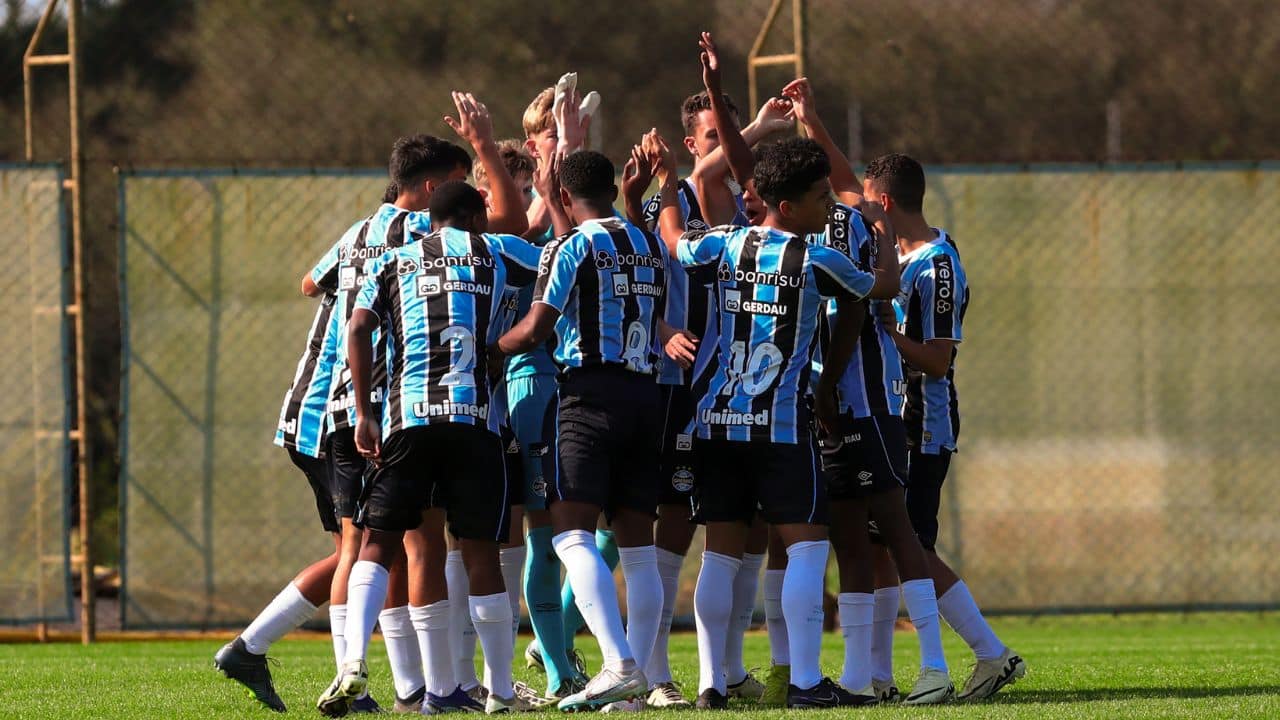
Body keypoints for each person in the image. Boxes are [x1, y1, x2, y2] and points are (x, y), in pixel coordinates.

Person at [676, 32, 901, 710]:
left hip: (718, 416)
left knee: (719, 552)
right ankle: (805, 682)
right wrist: (884, 245)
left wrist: (661, 201)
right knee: (806, 546)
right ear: (794, 205)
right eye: (821, 201)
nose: (829, 210)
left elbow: (678, 242)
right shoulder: (816, 258)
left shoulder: (720, 244)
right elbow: (877, 292)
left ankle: (714, 684)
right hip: (779, 423)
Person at [316, 180, 542, 717]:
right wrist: (509, 341)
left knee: (379, 543)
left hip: (408, 418)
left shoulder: (394, 260)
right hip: (475, 420)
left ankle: (351, 662)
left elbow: (358, 325)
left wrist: (367, 414)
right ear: (471, 214)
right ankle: (501, 693)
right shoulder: (498, 250)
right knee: (481, 552)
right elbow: (555, 271)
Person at [619, 90, 794, 708]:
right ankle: (655, 672)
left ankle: (726, 670)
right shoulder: (678, 197)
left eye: (733, 138)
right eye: (715, 137)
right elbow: (636, 282)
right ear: (692, 144)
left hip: (737, 391)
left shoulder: (753, 212)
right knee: (672, 523)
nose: (729, 149)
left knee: (744, 531)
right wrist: (665, 330)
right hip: (676, 388)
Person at [495, 150, 671, 712]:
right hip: (648, 395)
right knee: (637, 548)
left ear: (564, 199)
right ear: (615, 189)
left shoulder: (571, 248)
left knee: (569, 530)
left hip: (589, 395)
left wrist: (488, 347)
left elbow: (535, 328)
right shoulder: (647, 242)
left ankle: (618, 665)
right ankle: (635, 684)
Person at [867, 152, 1026, 702]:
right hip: (893, 414)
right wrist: (811, 122)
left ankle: (990, 653)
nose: (861, 209)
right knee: (889, 543)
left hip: (922, 422)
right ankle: (877, 676)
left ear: (885, 203)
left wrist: (889, 336)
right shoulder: (902, 252)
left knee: (911, 545)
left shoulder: (937, 264)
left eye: (869, 202)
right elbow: (844, 182)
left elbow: (937, 360)